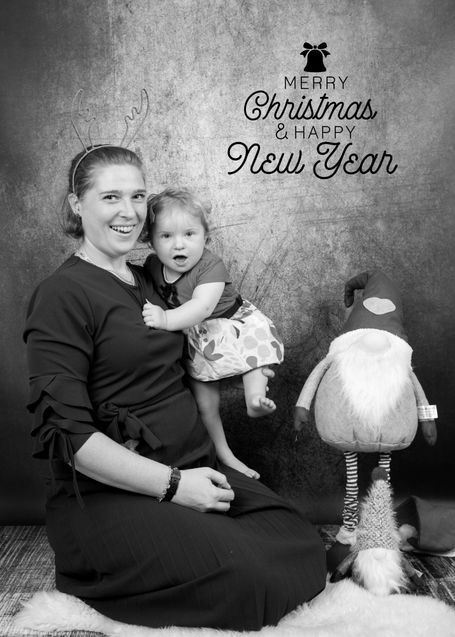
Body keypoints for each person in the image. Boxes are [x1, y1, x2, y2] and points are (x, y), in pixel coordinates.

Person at [24, 144, 326, 631]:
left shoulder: (151, 278)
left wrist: (251, 369)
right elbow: (70, 439)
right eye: (110, 197)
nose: (129, 212)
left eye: (137, 196)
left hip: (196, 465)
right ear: (77, 205)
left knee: (304, 544)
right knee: (251, 578)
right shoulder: (62, 295)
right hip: (114, 494)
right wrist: (174, 486)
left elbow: (209, 330)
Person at [142, 188, 284, 479]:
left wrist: (165, 318)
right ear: (151, 241)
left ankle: (255, 399)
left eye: (189, 234)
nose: (178, 244)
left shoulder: (210, 266)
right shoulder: (153, 267)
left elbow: (202, 307)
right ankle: (225, 454)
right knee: (205, 405)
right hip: (198, 340)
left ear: (206, 237)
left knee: (255, 359)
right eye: (166, 236)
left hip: (231, 325)